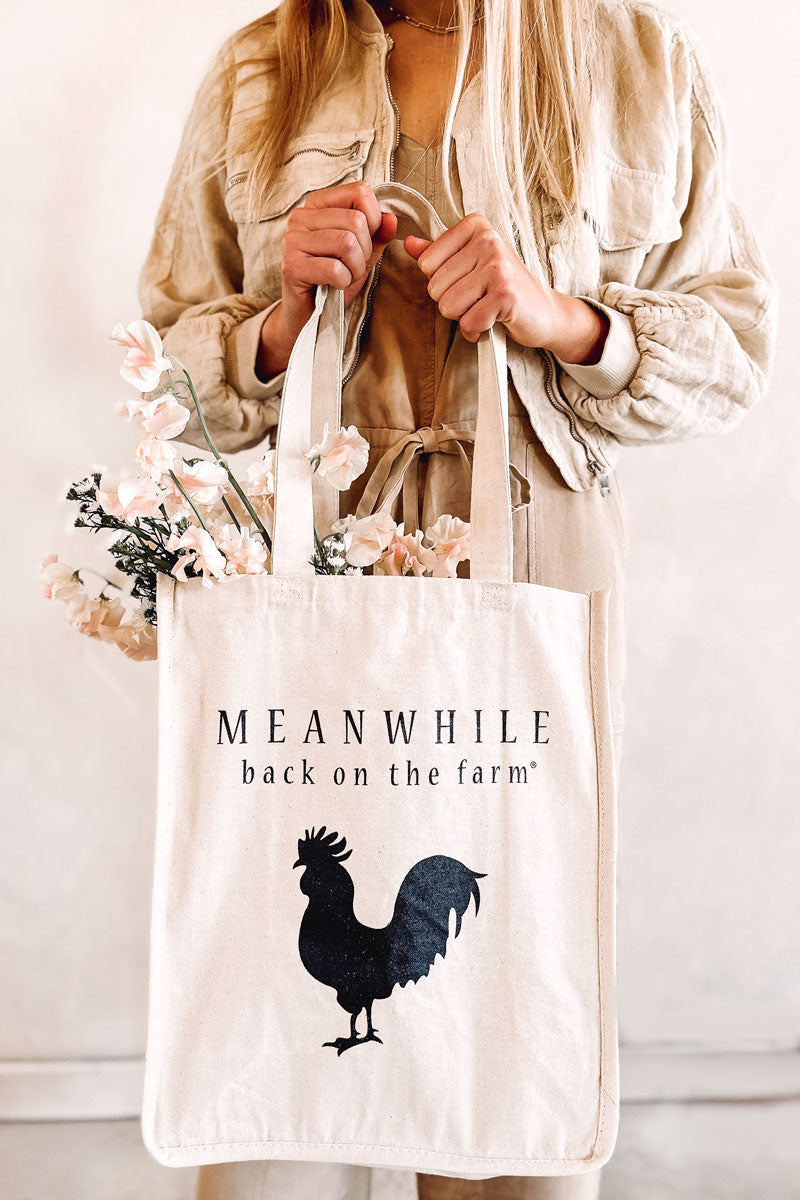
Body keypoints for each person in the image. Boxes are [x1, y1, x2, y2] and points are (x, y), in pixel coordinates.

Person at [137, 0, 777, 1196]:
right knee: (274, 1070)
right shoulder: (262, 67)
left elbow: (733, 354)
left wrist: (559, 316)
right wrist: (279, 324)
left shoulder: (637, 59)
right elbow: (164, 369)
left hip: (539, 555)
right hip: (321, 554)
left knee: (513, 1021)